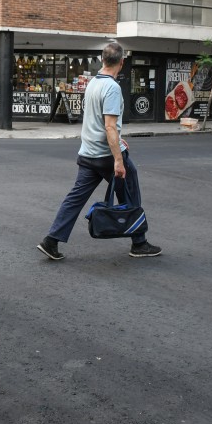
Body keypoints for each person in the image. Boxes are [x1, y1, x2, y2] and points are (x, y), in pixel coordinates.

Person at [38, 42, 160, 261]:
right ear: (122, 62)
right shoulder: (112, 88)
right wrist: (118, 159)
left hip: (87, 153)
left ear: (102, 60)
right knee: (130, 192)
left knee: (75, 198)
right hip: (106, 156)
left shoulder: (93, 82)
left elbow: (97, 120)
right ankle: (139, 243)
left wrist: (119, 141)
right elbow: (109, 126)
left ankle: (51, 240)